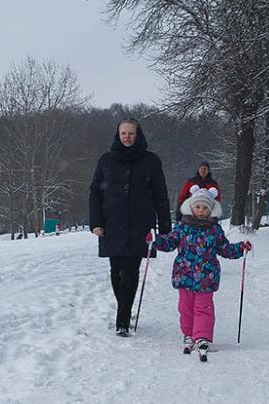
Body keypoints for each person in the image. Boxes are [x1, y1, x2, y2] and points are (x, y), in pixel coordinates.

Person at [89, 118, 172, 337]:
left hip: (140, 223)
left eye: (131, 133)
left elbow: (160, 195)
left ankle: (122, 320)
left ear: (138, 135)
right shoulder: (106, 160)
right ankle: (123, 308)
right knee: (116, 271)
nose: (127, 137)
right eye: (124, 133)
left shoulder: (151, 161)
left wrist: (165, 228)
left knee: (130, 271)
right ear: (118, 135)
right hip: (111, 222)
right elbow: (95, 193)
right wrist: (96, 223)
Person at [149, 185, 251, 359]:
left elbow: (224, 249)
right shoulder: (182, 227)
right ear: (191, 207)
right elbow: (169, 243)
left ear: (211, 210)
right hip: (184, 274)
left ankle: (201, 336)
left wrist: (240, 248)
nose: (201, 211)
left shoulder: (215, 230)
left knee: (204, 308)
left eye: (205, 208)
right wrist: (155, 240)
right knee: (185, 308)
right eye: (198, 207)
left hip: (207, 276)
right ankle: (189, 333)